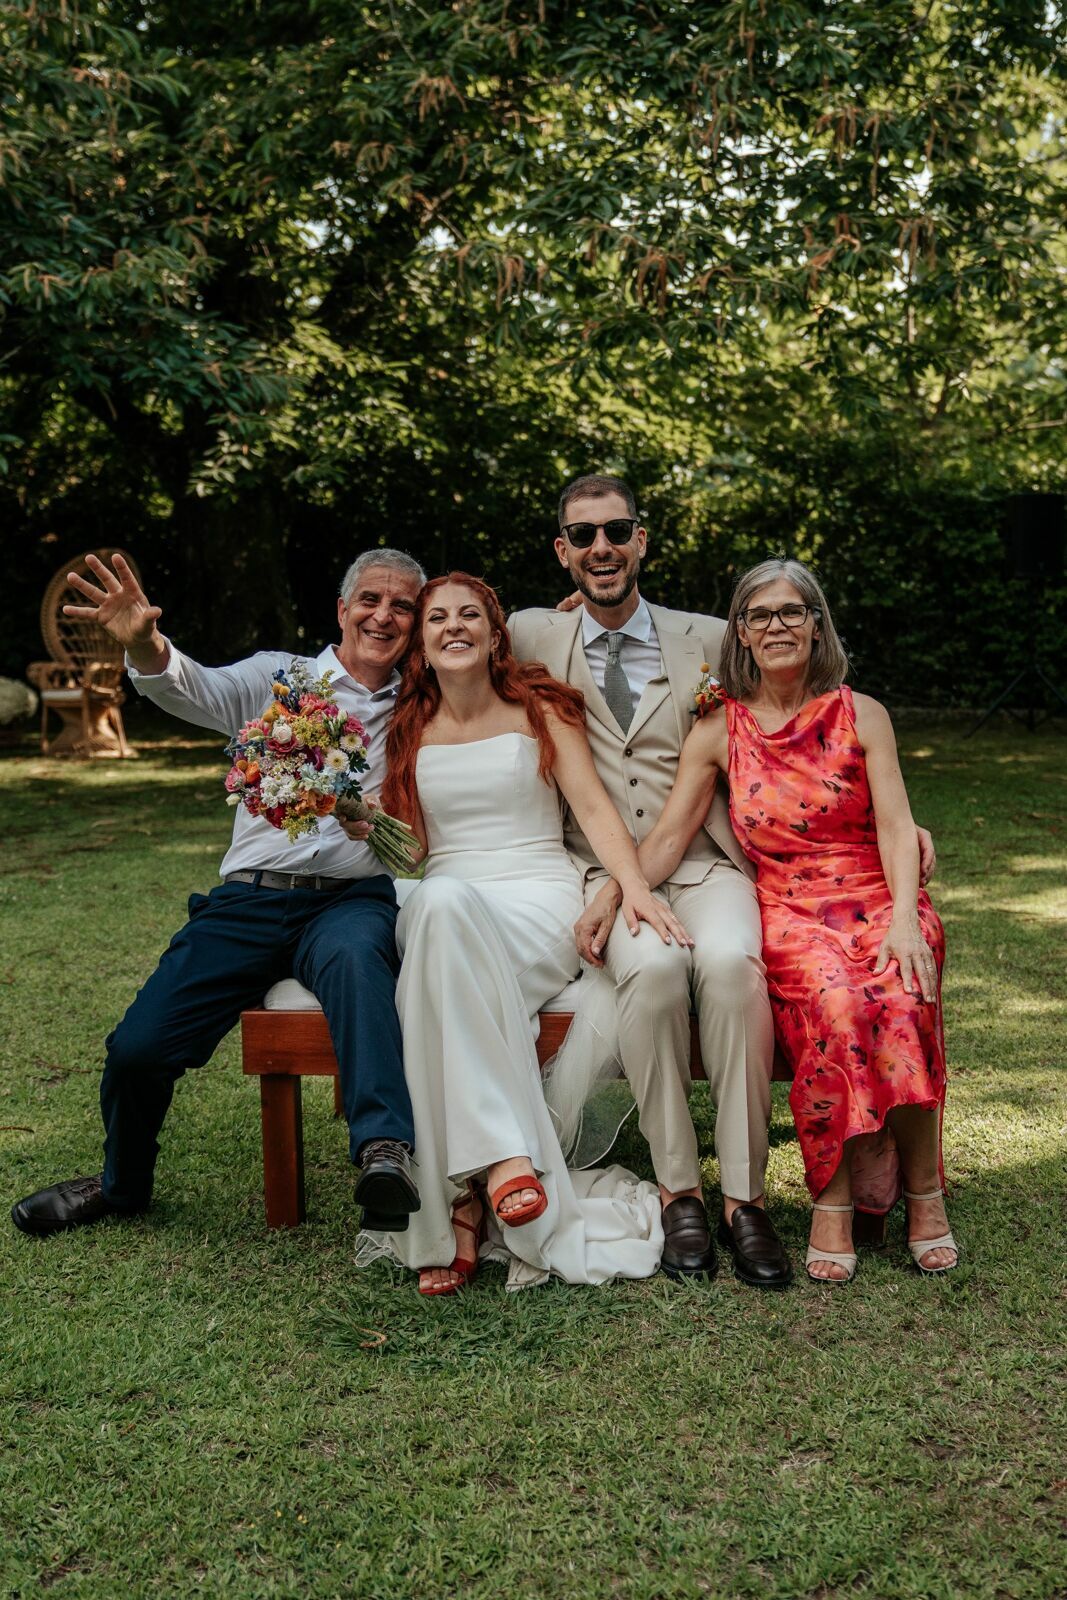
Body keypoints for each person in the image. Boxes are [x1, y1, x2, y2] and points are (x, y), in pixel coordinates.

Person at [509, 474, 937, 1288]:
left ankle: (745, 1199)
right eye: (584, 536)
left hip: (704, 860)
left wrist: (894, 824)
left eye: (618, 531)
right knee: (657, 973)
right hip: (599, 865)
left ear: (643, 540)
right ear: (563, 553)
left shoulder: (712, 635)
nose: (602, 547)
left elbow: (800, 708)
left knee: (735, 965)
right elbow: (443, 632)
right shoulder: (532, 634)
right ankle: (681, 1195)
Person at [12, 549, 427, 1238]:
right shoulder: (280, 677)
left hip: (350, 898)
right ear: (342, 609)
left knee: (358, 965)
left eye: (402, 606)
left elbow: (486, 648)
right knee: (138, 1049)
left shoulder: (421, 698)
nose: (384, 616)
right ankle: (120, 1188)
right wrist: (144, 642)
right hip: (251, 900)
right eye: (371, 600)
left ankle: (384, 1151)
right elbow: (191, 688)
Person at [633, 558, 957, 1283]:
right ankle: (832, 1197)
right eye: (758, 615)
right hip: (786, 907)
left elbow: (896, 826)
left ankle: (924, 1193)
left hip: (879, 894)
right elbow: (665, 838)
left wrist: (905, 918)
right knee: (837, 1003)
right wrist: (611, 894)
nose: (775, 626)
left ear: (816, 625)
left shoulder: (861, 712)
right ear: (740, 635)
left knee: (901, 990)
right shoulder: (718, 729)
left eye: (791, 612)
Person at [362, 573, 688, 1294]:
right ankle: (498, 1163)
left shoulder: (538, 707)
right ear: (420, 639)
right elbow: (406, 849)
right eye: (437, 617)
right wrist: (357, 819)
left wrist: (631, 885)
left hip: (534, 896)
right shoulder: (407, 725)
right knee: (438, 904)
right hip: (444, 890)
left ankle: (456, 1208)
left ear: (493, 630)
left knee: (435, 961)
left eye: (468, 615)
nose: (453, 626)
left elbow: (596, 811)